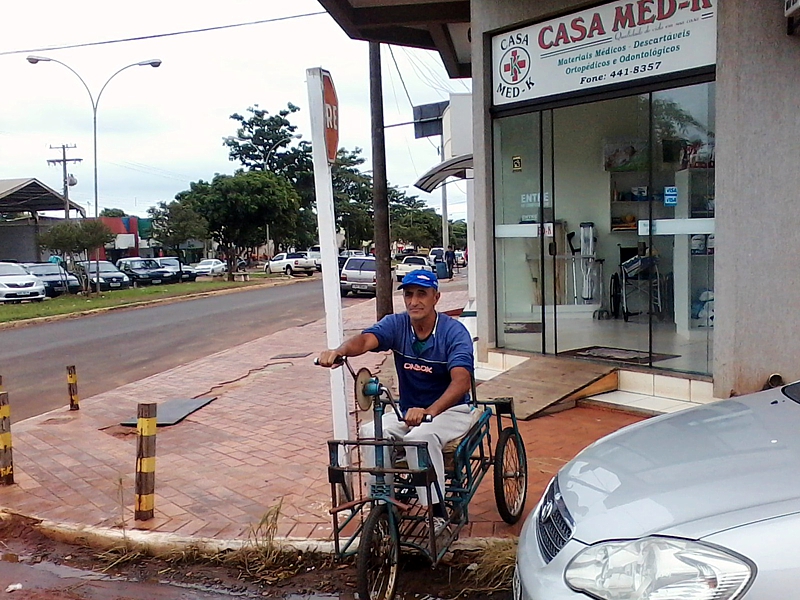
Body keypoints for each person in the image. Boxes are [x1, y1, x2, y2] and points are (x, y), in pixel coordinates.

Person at [317, 269, 474, 533]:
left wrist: (430, 411)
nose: (414, 301)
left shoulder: (453, 332)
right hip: (407, 411)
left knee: (418, 439)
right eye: (409, 294)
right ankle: (383, 503)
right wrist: (340, 351)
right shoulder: (398, 324)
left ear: (436, 297)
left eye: (421, 294)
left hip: (450, 411)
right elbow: (366, 339)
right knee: (370, 432)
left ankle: (437, 511)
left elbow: (461, 381)